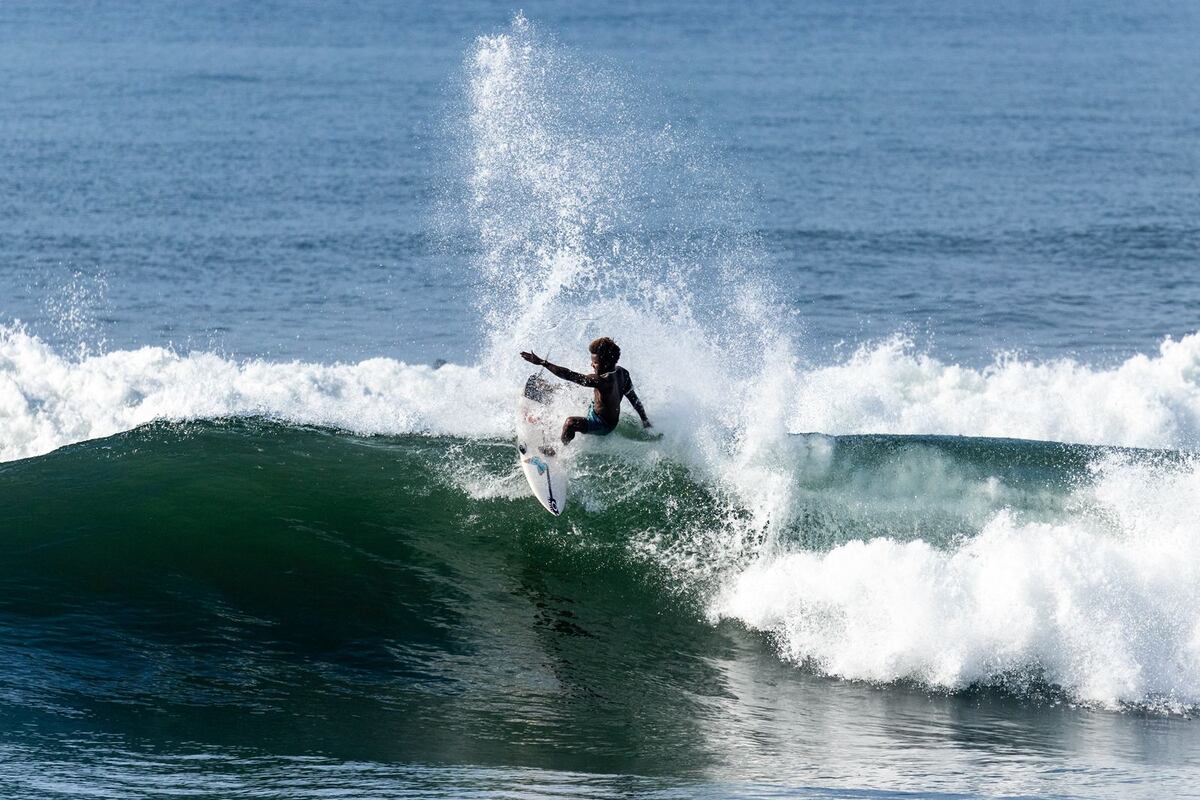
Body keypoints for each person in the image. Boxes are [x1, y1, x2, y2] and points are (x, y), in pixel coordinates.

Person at [520, 337, 651, 445]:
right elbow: (634, 399)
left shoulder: (601, 380)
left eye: (595, 363)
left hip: (602, 424)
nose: (592, 365)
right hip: (596, 409)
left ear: (605, 363)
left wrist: (543, 363)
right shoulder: (623, 373)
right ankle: (543, 391)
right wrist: (645, 421)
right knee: (571, 390)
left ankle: (559, 449)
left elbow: (569, 375)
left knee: (570, 423)